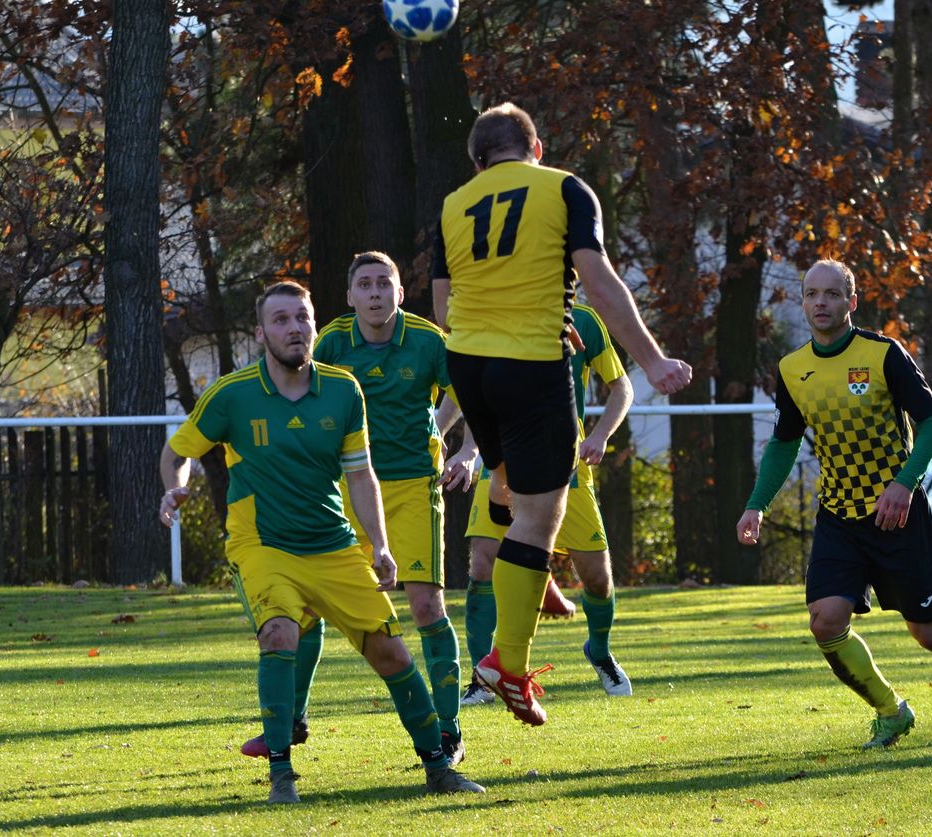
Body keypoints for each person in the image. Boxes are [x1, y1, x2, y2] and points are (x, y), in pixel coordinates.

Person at [157, 281, 484, 803]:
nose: (294, 328)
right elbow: (178, 451)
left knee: (392, 653)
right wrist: (175, 486)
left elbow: (360, 474)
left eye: (302, 318)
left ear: (314, 325)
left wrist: (380, 545)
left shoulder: (342, 390)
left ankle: (439, 768)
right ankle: (281, 775)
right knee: (280, 633)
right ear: (261, 333)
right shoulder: (232, 394)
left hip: (333, 544)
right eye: (281, 319)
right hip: (263, 545)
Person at [431, 102, 691, 725]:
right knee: (541, 517)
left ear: (478, 161)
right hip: (531, 364)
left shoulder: (453, 204)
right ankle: (508, 663)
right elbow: (597, 281)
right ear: (537, 148)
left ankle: (516, 608)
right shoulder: (565, 188)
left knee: (506, 491)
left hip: (469, 365)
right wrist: (652, 359)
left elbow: (443, 305)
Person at [735, 260, 932, 749]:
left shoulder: (883, 354)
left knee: (928, 633)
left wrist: (904, 484)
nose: (821, 302)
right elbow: (784, 442)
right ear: (803, 302)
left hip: (896, 514)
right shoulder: (792, 369)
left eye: (832, 294)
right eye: (811, 294)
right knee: (825, 621)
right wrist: (757, 504)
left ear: (851, 302)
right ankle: (890, 711)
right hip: (839, 514)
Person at [233, 252, 479, 765]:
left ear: (399, 293)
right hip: (347, 488)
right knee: (305, 607)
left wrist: (465, 448)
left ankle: (448, 730)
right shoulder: (332, 342)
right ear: (349, 297)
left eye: (383, 284)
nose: (374, 293)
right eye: (364, 285)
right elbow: (295, 391)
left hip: (412, 486)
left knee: (426, 607)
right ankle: (291, 721)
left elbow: (471, 397)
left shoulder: (429, 341)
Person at [460, 301, 635, 707]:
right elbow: (474, 393)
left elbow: (622, 387)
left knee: (597, 578)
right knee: (483, 562)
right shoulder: (494, 312)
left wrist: (600, 435)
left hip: (565, 462)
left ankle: (599, 651)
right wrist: (471, 449)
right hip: (503, 460)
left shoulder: (584, 320)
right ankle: (481, 678)